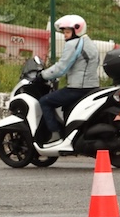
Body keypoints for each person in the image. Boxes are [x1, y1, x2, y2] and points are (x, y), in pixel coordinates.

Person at [36, 14, 99, 148]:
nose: (65, 35)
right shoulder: (89, 42)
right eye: (64, 32)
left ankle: (54, 134)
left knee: (45, 101)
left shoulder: (73, 44)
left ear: (77, 30)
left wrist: (42, 75)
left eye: (68, 32)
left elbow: (61, 67)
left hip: (77, 88)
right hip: (92, 86)